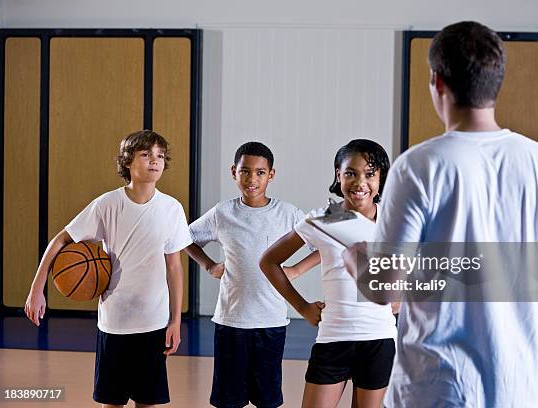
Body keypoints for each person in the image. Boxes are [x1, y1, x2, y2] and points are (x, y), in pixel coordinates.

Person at [357, 21, 538, 407]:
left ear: (437, 81)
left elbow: (385, 287)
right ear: (495, 83)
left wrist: (360, 263)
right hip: (518, 391)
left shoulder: (418, 166)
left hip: (435, 390)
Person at [25, 130, 193, 407]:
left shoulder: (171, 208)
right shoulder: (107, 204)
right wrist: (36, 289)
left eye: (160, 156)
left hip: (153, 323)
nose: (155, 160)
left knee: (148, 402)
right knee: (111, 402)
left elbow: (174, 267)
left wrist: (175, 321)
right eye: (146, 154)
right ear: (127, 162)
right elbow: (61, 240)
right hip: (115, 322)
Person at [260, 139, 398, 408]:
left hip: (379, 340)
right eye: (351, 173)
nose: (360, 182)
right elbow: (269, 262)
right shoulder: (324, 218)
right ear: (338, 175)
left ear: (381, 177)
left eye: (370, 174)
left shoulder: (395, 221)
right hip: (334, 337)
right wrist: (302, 307)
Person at [186, 141, 318, 408]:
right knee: (228, 400)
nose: (252, 179)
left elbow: (323, 245)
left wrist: (296, 269)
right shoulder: (222, 213)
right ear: (234, 171)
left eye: (260, 172)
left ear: (271, 175)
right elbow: (184, 238)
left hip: (271, 322)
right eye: (245, 171)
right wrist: (209, 265)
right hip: (231, 321)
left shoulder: (288, 213)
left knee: (267, 400)